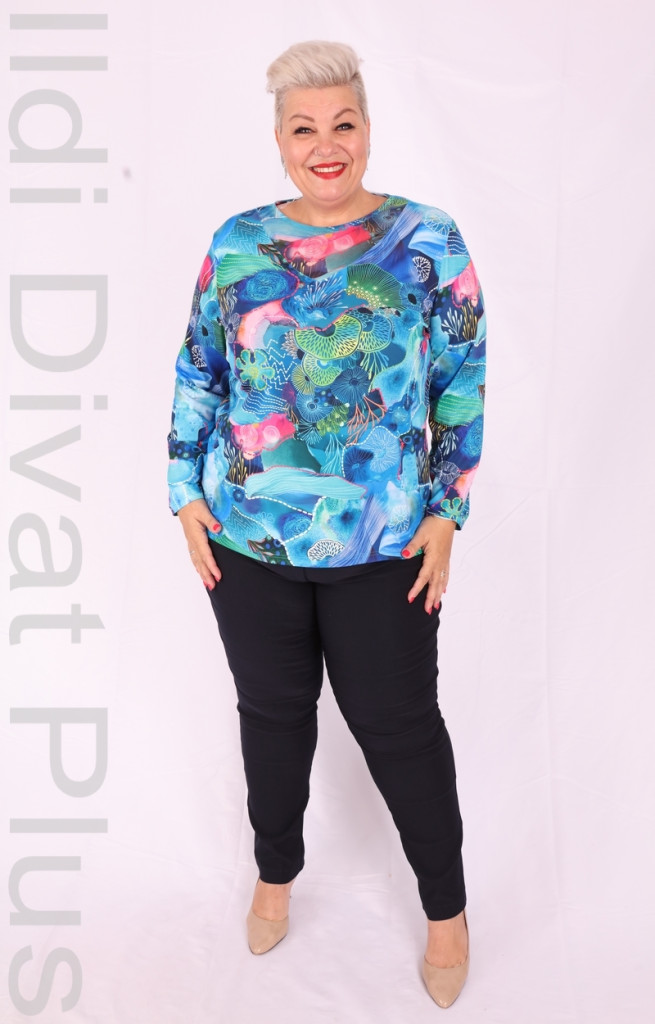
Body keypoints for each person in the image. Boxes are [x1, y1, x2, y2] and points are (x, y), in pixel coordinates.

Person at [167, 40, 485, 1009]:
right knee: (272, 717)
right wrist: (183, 492)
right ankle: (275, 876)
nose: (325, 144)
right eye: (304, 128)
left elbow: (459, 380)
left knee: (400, 727)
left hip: (386, 545)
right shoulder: (237, 243)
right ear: (279, 140)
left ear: (367, 128)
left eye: (342, 122)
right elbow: (199, 369)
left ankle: (446, 913)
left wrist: (447, 511)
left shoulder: (427, 239)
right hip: (245, 542)